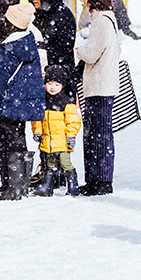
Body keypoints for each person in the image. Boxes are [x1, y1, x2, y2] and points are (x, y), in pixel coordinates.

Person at [0, 2, 46, 201]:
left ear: (11, 23)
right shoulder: (30, 43)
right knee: (18, 139)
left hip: (6, 103)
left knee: (5, 142)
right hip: (21, 104)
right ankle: (18, 185)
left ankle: (11, 186)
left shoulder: (7, 48)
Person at [75, 0, 121, 196]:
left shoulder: (101, 22)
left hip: (99, 86)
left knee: (98, 135)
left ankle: (100, 181)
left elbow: (91, 53)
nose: (83, 0)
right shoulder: (107, 19)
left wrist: (79, 48)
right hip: (102, 84)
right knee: (98, 134)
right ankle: (97, 179)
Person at [30, 64, 82, 197]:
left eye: (56, 84)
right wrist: (37, 132)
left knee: (66, 163)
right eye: (49, 83)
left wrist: (71, 136)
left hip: (63, 142)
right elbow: (37, 120)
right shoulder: (43, 102)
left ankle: (73, 185)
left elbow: (73, 121)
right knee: (50, 164)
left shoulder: (66, 103)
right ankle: (47, 186)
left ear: (62, 86)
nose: (52, 87)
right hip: (48, 142)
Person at [25, 0, 74, 74]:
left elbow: (63, 50)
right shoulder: (39, 14)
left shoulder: (63, 15)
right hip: (43, 73)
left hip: (60, 79)